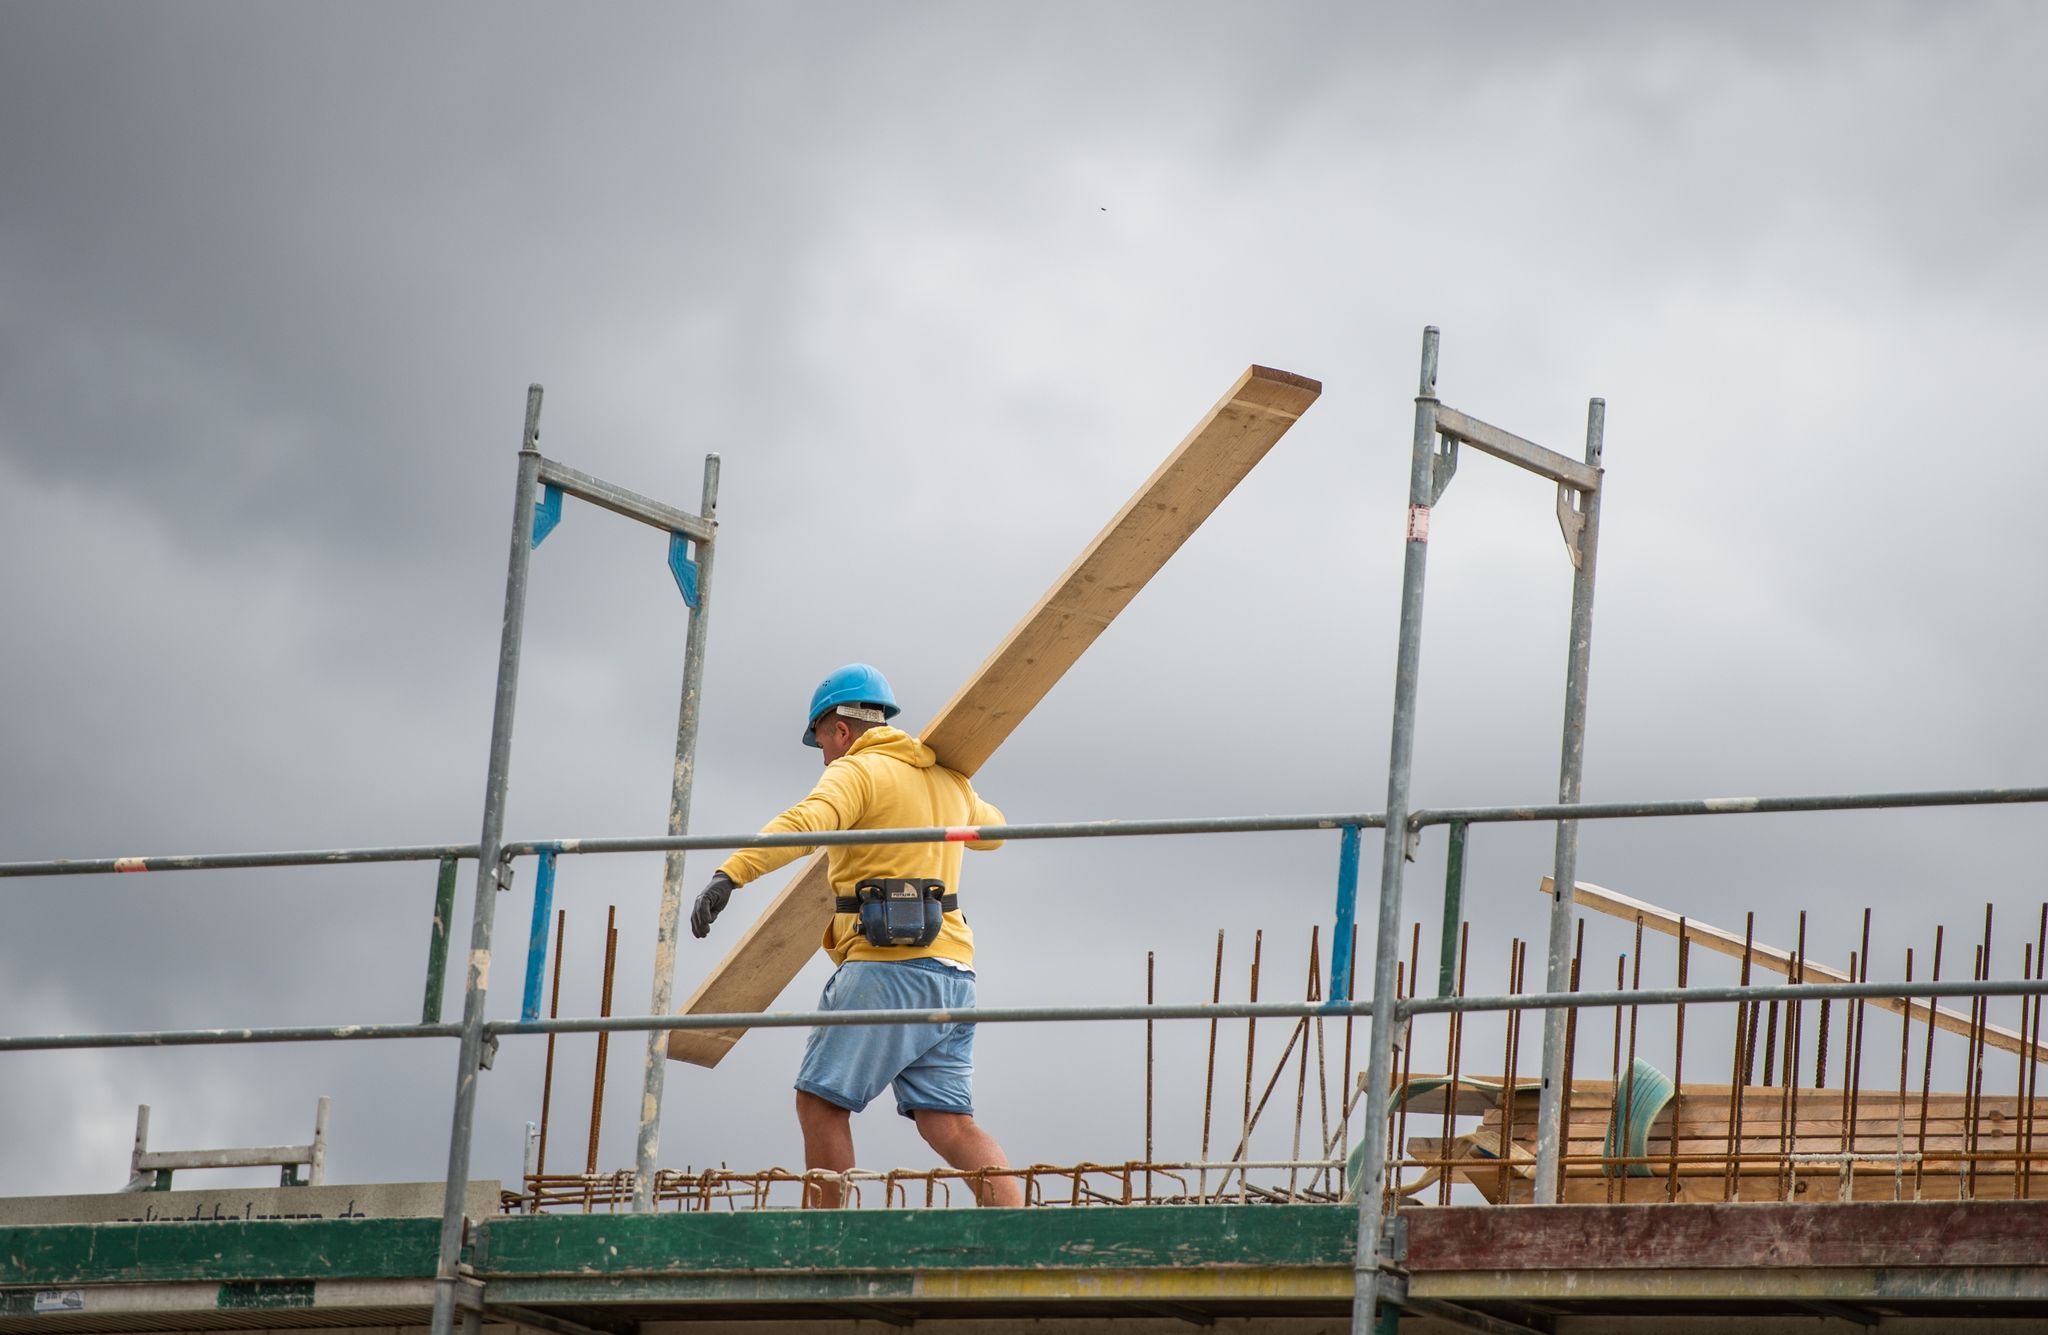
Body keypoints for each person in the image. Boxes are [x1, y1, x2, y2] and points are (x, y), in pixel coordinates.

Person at [690, 663, 1022, 1208]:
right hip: (954, 975)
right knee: (949, 1122)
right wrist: (948, 789)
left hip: (886, 969)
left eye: (820, 739)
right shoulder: (946, 779)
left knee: (819, 1103)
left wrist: (733, 873)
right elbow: (995, 834)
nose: (822, 754)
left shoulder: (857, 771)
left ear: (840, 730)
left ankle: (827, 1240)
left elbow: (807, 823)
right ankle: (1018, 1230)